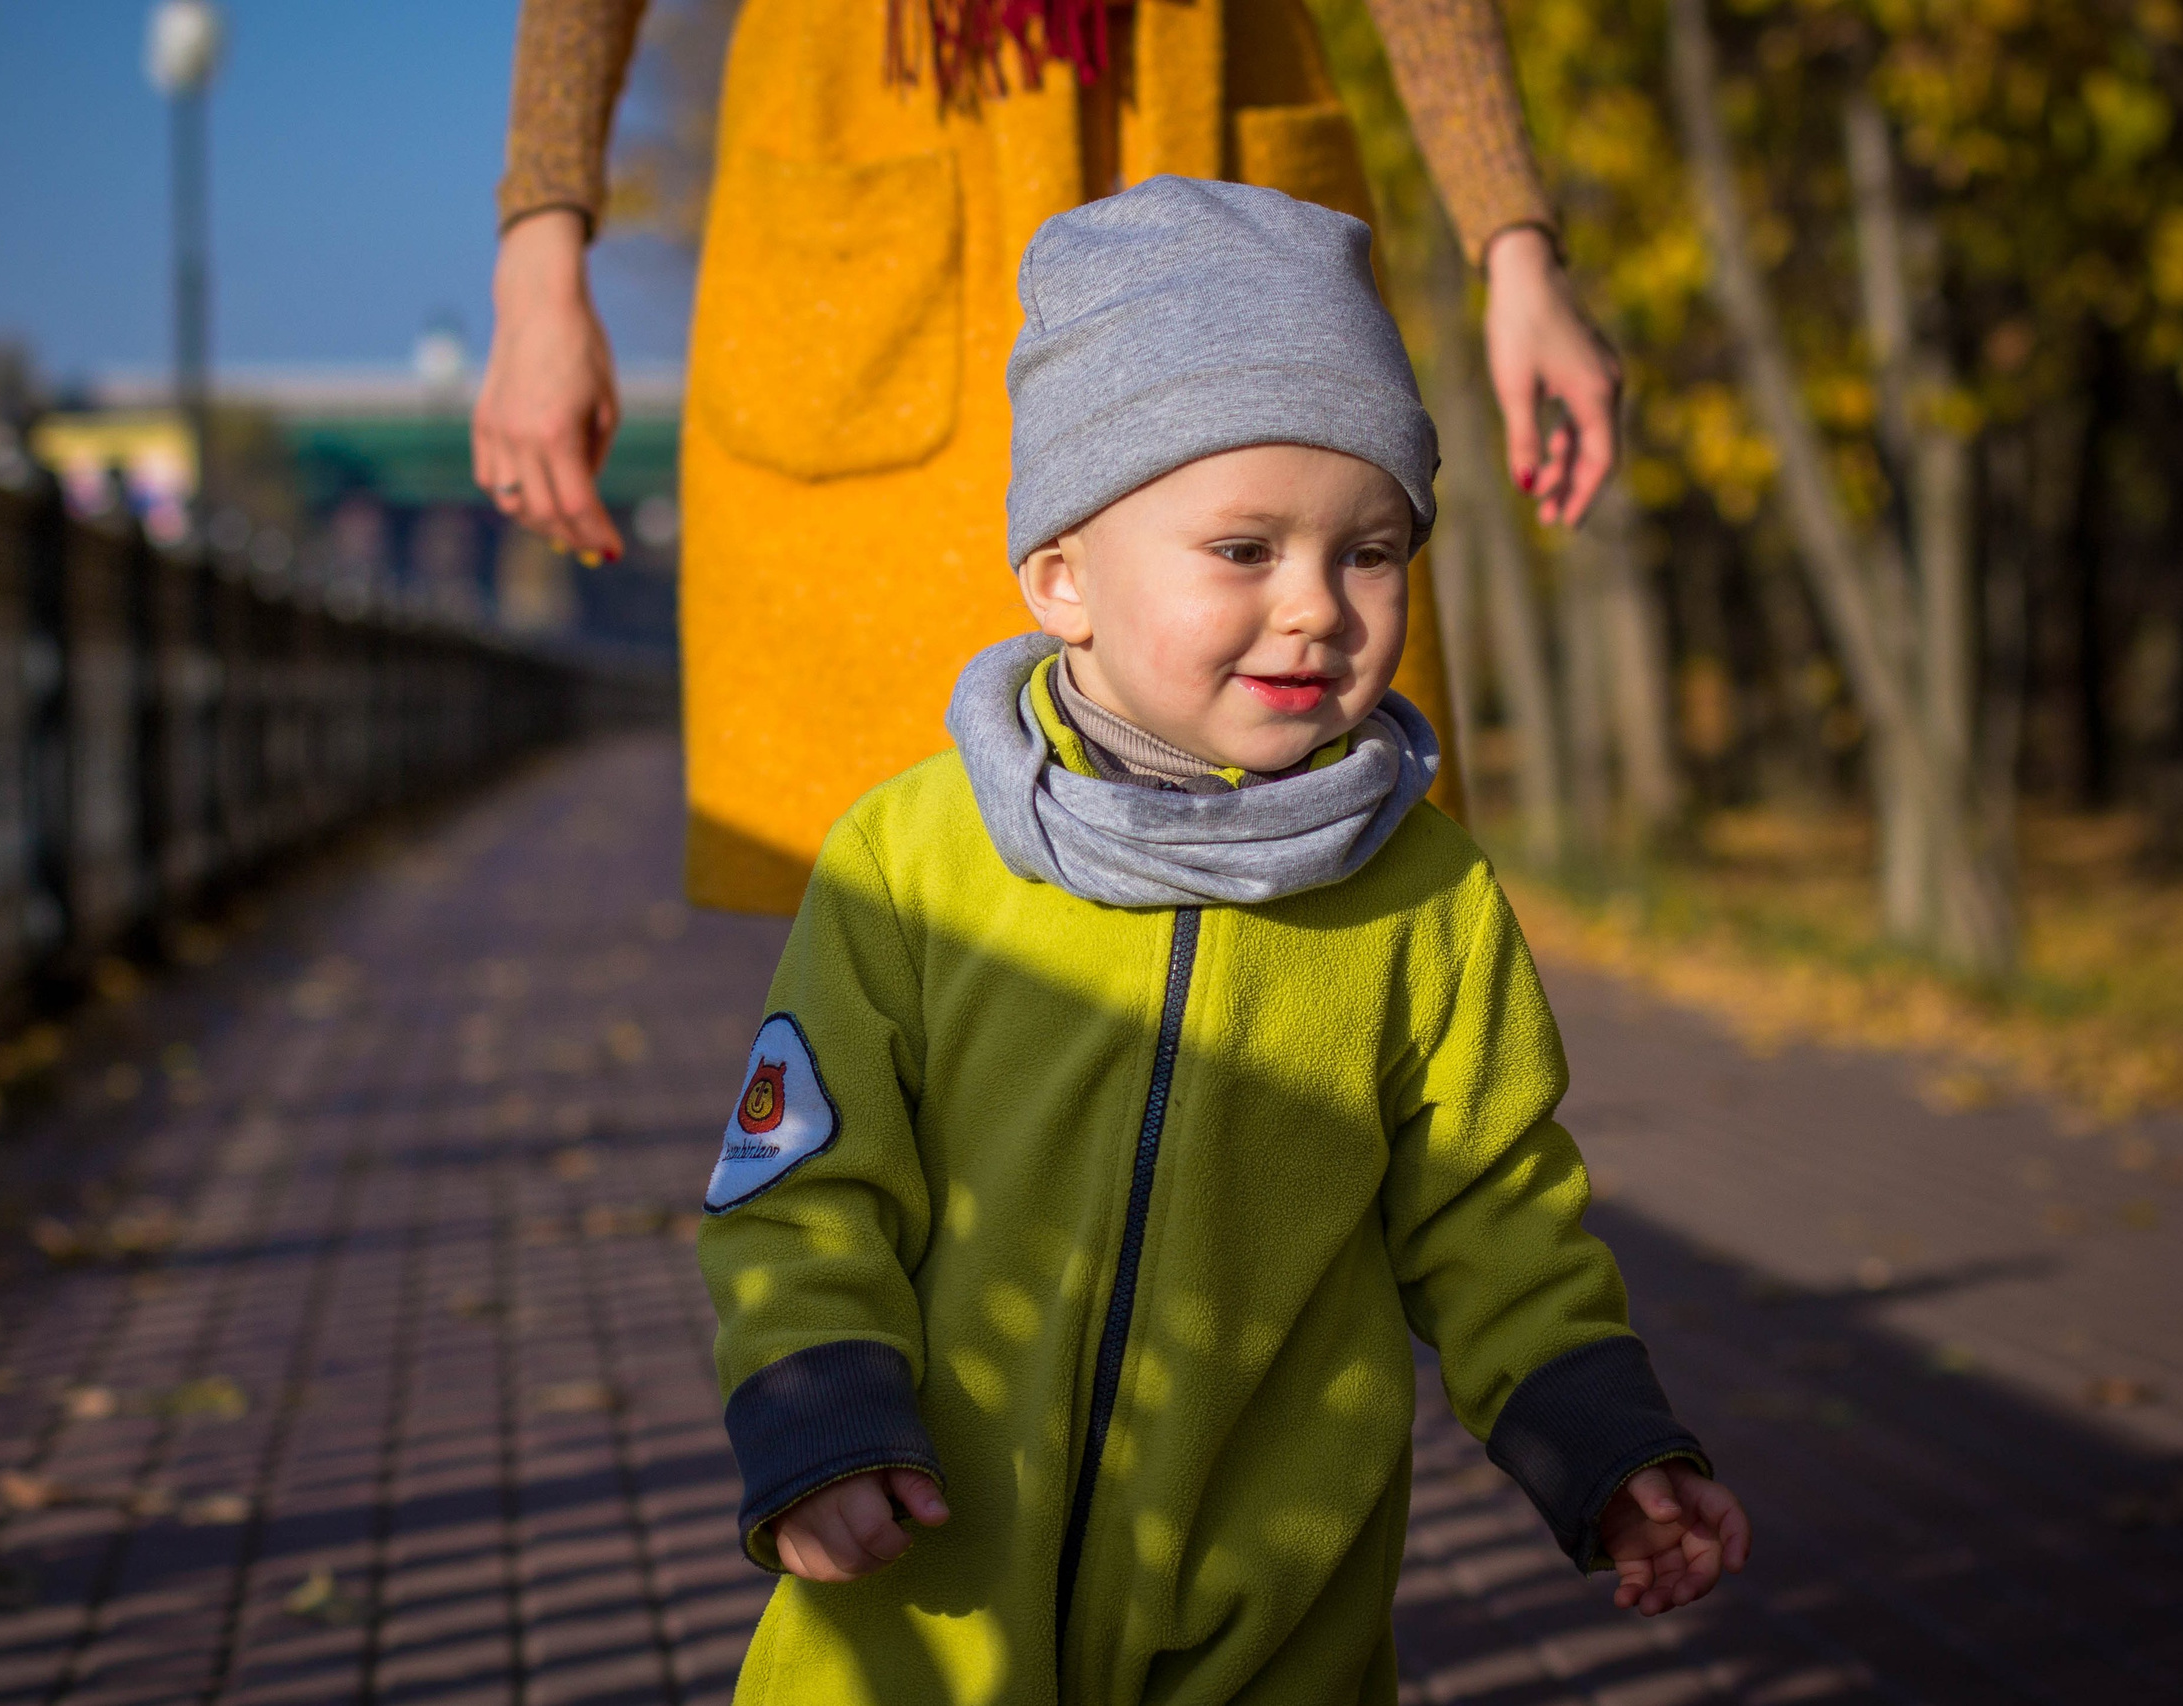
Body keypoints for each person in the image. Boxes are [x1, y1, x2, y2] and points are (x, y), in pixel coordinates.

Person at [693, 177, 1748, 1705]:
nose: (1317, 607)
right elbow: (801, 1183)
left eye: (1370, 551)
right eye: (1245, 549)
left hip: (1274, 1606)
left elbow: (1496, 1211)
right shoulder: (909, 859)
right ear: (1063, 576)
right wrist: (816, 1414)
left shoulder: (1426, 894)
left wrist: (1606, 1441)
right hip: (926, 1585)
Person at [476, 0, 1626, 913]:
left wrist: (1513, 241)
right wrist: (538, 256)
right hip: (865, 175)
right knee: (892, 902)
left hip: (1213, 121)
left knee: (1321, 852)